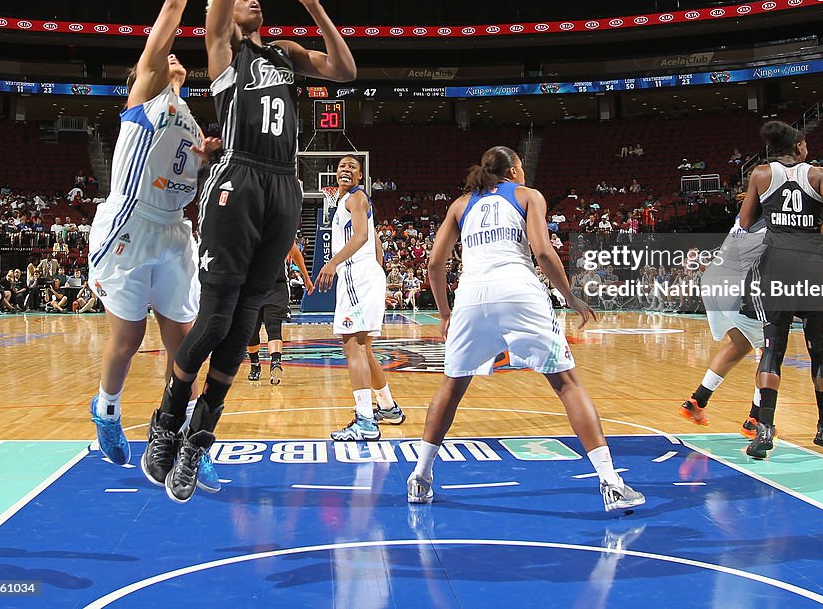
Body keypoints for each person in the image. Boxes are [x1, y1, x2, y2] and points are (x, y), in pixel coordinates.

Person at [141, 0, 357, 504]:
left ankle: (198, 441)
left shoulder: (286, 55)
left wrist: (315, 7)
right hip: (236, 177)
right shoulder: (222, 49)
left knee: (243, 328)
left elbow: (345, 72)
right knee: (214, 319)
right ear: (221, 8)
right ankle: (168, 418)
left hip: (284, 186)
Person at [406, 146, 644, 513]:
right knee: (567, 384)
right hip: (518, 289)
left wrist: (444, 313)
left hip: (471, 294)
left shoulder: (459, 205)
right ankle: (611, 482)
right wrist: (571, 297)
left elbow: (435, 263)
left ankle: (420, 477)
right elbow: (543, 251)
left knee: (452, 386)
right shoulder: (528, 195)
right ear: (515, 171)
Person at [86, 0, 221, 481]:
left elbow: (199, 167)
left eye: (173, 57)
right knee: (129, 333)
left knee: (184, 346)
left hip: (174, 231)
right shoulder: (144, 93)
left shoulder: (191, 120)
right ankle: (107, 410)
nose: (170, 54)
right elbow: (173, 8)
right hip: (130, 225)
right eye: (162, 54)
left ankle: (181, 442)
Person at [740, 122, 823, 459]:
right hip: (813, 269)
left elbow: (745, 222)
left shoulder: (760, 175)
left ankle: (764, 432)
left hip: (777, 268)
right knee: (819, 349)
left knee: (773, 351)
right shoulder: (819, 175)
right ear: (800, 146)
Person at [313, 155, 405, 439]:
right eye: (342, 166)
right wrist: (378, 281)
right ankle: (388, 408)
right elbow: (375, 241)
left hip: (356, 274)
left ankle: (365, 420)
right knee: (364, 349)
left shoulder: (356, 197)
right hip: (366, 275)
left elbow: (362, 237)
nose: (346, 169)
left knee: (352, 345)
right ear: (335, 174)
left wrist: (332, 263)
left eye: (353, 167)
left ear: (360, 176)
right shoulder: (350, 203)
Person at [679, 215, 766, 438]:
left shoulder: (747, 213)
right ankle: (756, 419)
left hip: (713, 278)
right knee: (771, 351)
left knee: (740, 344)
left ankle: (697, 401)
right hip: (737, 283)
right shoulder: (780, 214)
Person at [246, 258, 292, 386]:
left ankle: (275, 362)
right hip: (251, 288)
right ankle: (255, 364)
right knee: (252, 331)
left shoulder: (281, 238)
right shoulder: (245, 239)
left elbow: (295, 252)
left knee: (274, 327)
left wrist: (305, 275)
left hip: (276, 287)